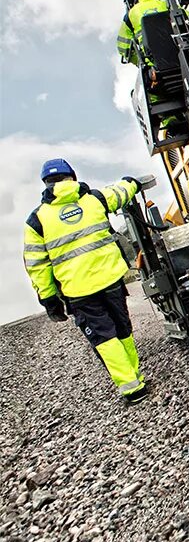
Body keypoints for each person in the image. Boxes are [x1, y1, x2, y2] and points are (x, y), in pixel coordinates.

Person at [23, 159, 148, 403]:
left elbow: (38, 266)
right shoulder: (95, 199)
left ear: (46, 184)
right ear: (72, 176)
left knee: (104, 337)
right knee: (122, 329)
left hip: (78, 291)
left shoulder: (37, 220)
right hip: (111, 279)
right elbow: (121, 192)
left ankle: (132, 388)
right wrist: (131, 182)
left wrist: (49, 299)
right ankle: (135, 377)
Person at [116, 0, 170, 66]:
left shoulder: (130, 15)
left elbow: (123, 47)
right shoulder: (166, 5)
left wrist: (140, 62)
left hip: (152, 63)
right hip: (179, 53)